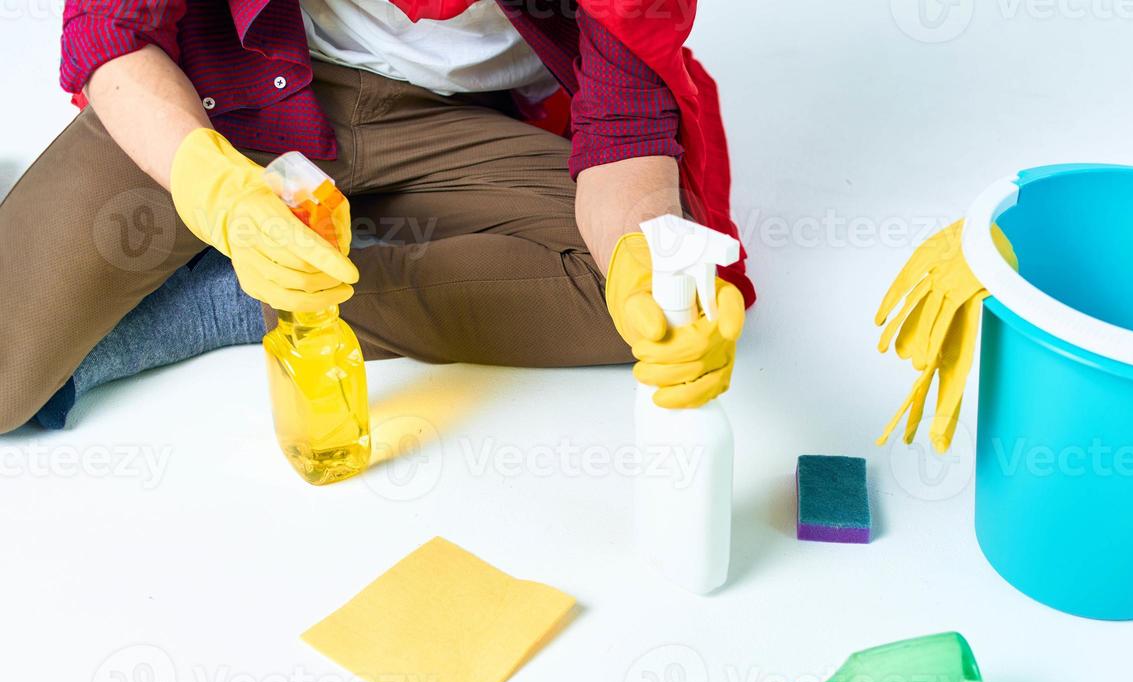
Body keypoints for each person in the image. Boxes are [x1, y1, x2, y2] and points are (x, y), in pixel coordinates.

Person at [0, 0, 754, 432]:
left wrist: (643, 252)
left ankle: (238, 294)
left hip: (445, 123)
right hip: (224, 91)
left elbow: (624, 128)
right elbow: (111, 31)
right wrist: (211, 187)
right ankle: (248, 242)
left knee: (643, 303)